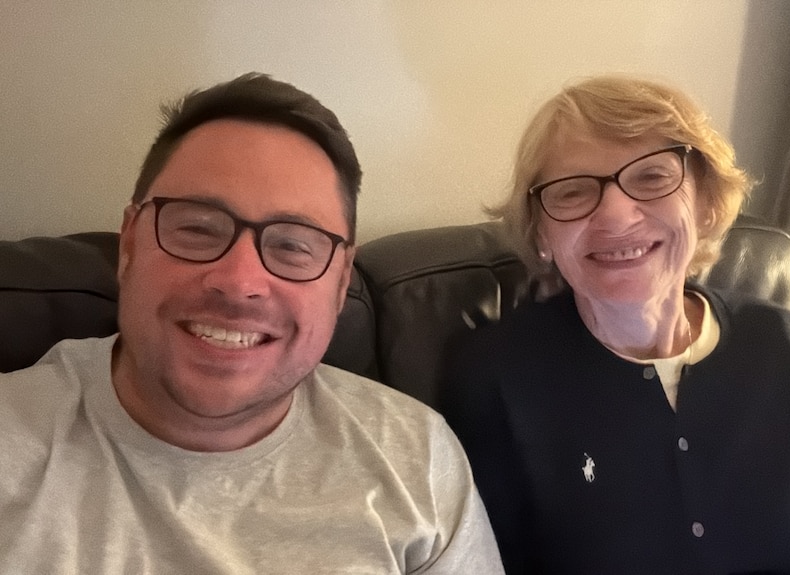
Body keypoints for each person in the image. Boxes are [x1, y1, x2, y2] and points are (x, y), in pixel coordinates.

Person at [0, 73, 504, 574]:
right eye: (198, 228)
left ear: (340, 280)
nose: (240, 281)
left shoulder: (416, 459)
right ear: (130, 243)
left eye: (292, 245)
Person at [441, 75, 790, 574]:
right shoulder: (495, 375)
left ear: (704, 201)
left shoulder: (781, 340)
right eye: (573, 192)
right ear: (541, 233)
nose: (617, 215)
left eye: (652, 177)